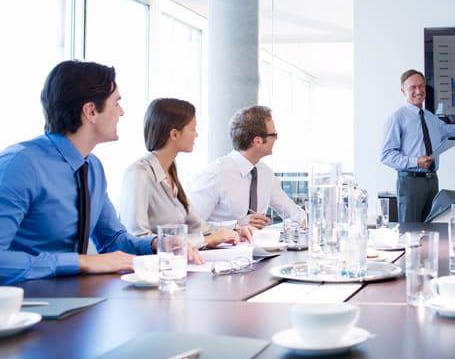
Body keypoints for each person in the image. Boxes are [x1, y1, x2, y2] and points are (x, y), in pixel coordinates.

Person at [0, 60, 198, 285]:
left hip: (73, 298)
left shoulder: (91, 167)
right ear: (91, 111)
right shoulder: (20, 165)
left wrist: (155, 244)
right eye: (117, 103)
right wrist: (80, 262)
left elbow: (113, 240)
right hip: (23, 305)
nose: (121, 113)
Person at [119, 98, 253, 248]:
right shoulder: (139, 174)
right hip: (153, 268)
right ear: (174, 134)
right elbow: (136, 239)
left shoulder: (170, 170)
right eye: (193, 129)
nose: (196, 135)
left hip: (177, 264)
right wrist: (208, 240)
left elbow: (198, 227)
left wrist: (234, 231)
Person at [380, 69, 455, 222]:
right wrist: (416, 161)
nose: (418, 91)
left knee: (430, 228)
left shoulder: (430, 118)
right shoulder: (397, 118)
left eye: (421, 86)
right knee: (411, 230)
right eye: (413, 87)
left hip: (432, 181)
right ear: (403, 91)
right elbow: (386, 155)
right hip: (410, 182)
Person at [190, 106, 305, 229]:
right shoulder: (214, 174)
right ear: (258, 141)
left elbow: (294, 214)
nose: (276, 139)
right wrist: (236, 225)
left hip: (257, 246)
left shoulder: (265, 173)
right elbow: (192, 226)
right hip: (221, 248)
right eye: (274, 134)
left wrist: (313, 222)